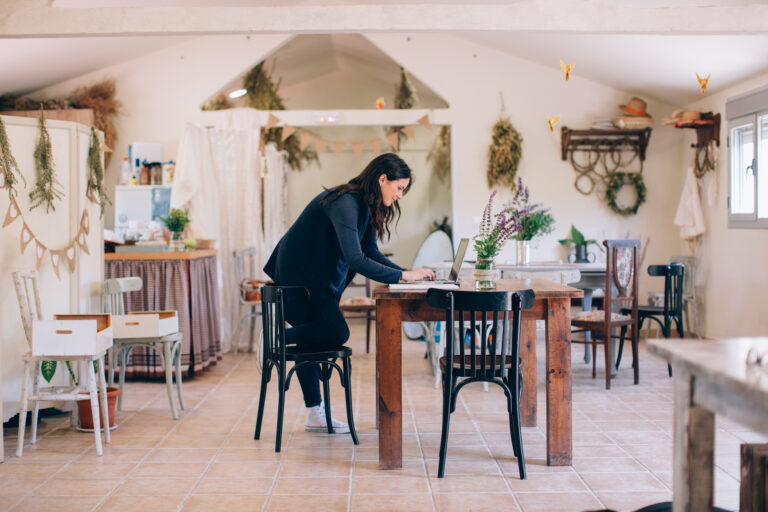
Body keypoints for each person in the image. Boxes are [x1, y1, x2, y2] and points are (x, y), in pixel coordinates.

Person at [263, 153, 435, 433]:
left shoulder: (363, 206)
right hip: (298, 281)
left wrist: (406, 275)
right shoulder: (345, 202)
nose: (400, 196)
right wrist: (404, 275)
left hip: (313, 281)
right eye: (399, 188)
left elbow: (371, 252)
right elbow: (355, 259)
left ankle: (313, 413)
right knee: (338, 333)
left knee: (313, 339)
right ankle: (277, 338)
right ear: (382, 179)